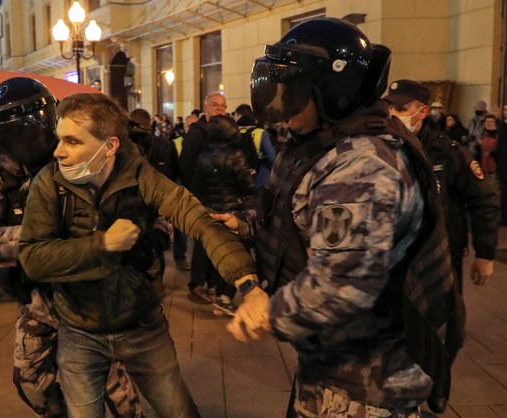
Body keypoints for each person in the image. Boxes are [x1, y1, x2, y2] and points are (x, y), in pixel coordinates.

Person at [212, 18, 464, 417]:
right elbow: (299, 212)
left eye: (294, 94)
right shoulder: (322, 144)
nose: (283, 108)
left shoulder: (360, 166)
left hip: (365, 384)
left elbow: (343, 284)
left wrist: (266, 313)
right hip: (332, 363)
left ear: (335, 91)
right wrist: (244, 222)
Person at [17, 93, 264, 418]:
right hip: (78, 330)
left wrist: (248, 285)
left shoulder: (141, 176)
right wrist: (102, 243)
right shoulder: (49, 182)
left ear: (110, 146)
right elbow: (32, 257)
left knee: (179, 411)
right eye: (59, 139)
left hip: (141, 326)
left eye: (72, 141)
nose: (58, 151)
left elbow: (200, 221)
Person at [0, 77, 144, 418]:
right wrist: (42, 239)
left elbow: (136, 205)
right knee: (31, 380)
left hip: (91, 291)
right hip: (39, 295)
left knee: (112, 384)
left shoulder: (81, 154)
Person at [384, 79, 500, 289]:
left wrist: (485, 254)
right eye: (389, 108)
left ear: (422, 112)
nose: (393, 115)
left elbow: (483, 201)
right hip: (391, 259)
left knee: (441, 318)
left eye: (401, 109)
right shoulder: (380, 149)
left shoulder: (449, 153)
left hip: (440, 258)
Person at [189, 115, 255, 314]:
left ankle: (211, 287)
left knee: (213, 251)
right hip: (232, 212)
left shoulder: (203, 156)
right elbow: (248, 185)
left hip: (210, 211)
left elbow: (197, 185)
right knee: (234, 254)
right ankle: (224, 297)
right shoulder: (236, 155)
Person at [179, 91, 228, 188]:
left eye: (223, 106)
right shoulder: (196, 133)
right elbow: (186, 166)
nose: (220, 109)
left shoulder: (227, 131)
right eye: (215, 105)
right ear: (205, 108)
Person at [170, 113, 200, 272]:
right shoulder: (176, 143)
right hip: (180, 188)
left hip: (198, 188)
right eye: (191, 127)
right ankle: (180, 256)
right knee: (180, 226)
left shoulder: (204, 141)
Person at [233, 103, 277, 189]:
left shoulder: (232, 132)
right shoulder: (260, 133)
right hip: (259, 178)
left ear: (238, 115)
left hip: (237, 180)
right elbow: (272, 157)